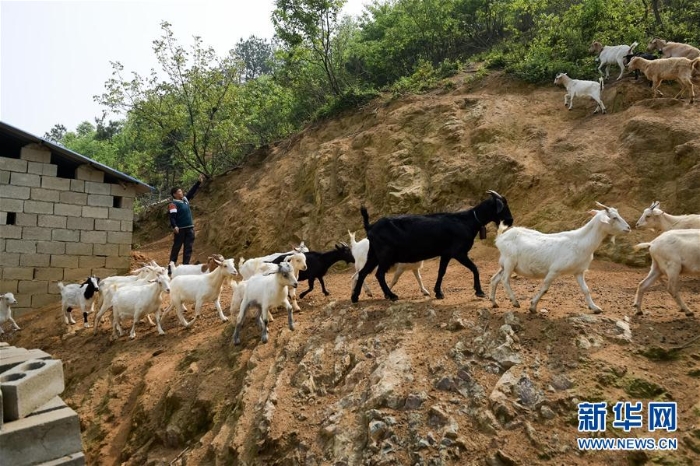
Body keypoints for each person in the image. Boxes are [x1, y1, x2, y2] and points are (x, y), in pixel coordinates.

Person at [168, 174, 205, 265]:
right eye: (179, 192)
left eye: (181, 191)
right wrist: (175, 226)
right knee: (177, 247)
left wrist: (198, 182)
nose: (182, 193)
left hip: (190, 228)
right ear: (175, 194)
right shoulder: (173, 204)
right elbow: (172, 217)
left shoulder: (185, 200)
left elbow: (191, 192)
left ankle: (185, 266)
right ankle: (171, 267)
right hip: (180, 229)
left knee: (188, 248)